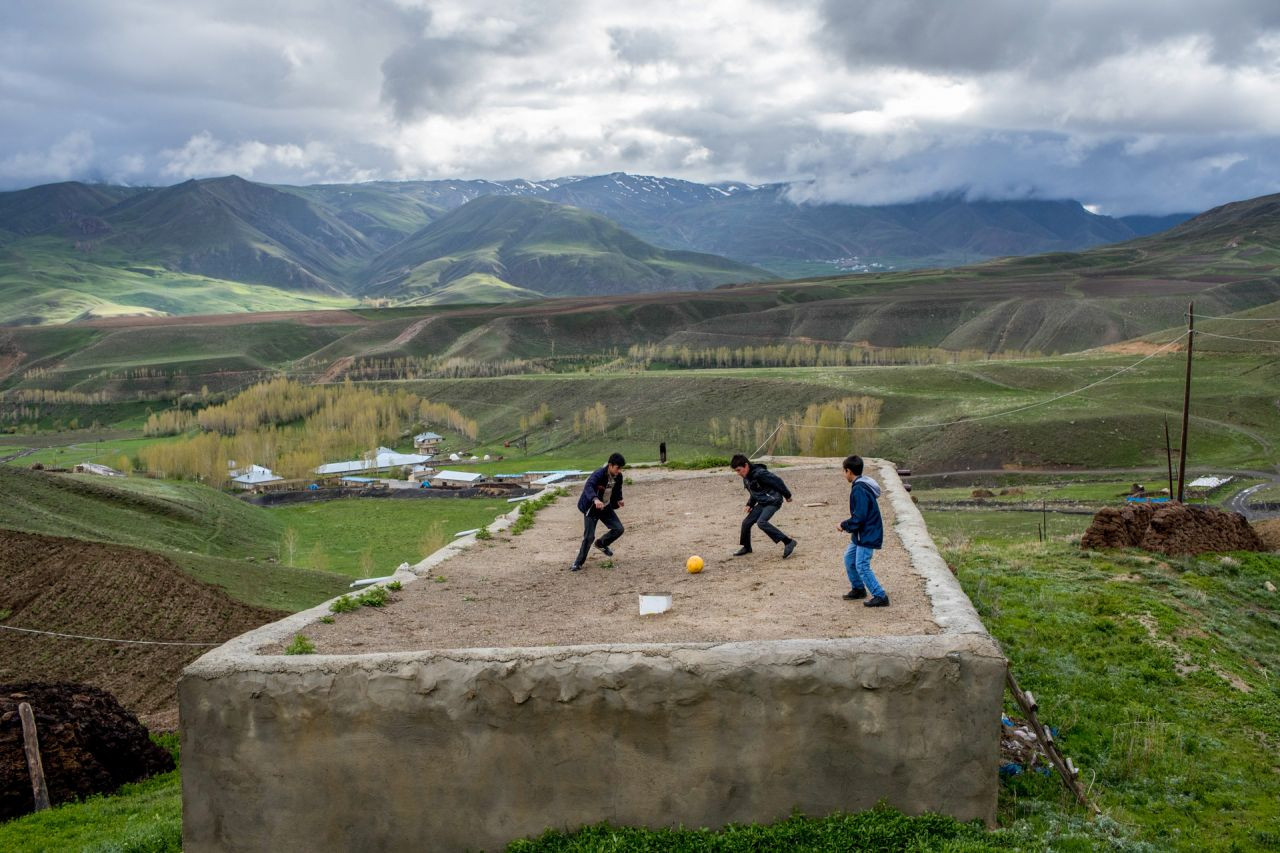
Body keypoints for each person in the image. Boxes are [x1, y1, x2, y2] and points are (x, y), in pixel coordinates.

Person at [838, 454, 888, 607]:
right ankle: (859, 588)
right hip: (861, 533)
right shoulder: (861, 485)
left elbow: (860, 516)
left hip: (867, 533)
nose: (843, 474)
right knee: (849, 558)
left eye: (844, 471)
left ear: (849, 471)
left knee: (861, 565)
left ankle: (880, 595)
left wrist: (844, 525)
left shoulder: (859, 489)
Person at [729, 453, 796, 559]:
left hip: (773, 501)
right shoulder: (746, 477)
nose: (738, 473)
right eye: (736, 471)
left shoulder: (760, 473)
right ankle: (746, 547)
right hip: (762, 502)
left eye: (738, 470)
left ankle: (788, 542)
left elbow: (778, 481)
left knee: (761, 522)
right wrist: (749, 504)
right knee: (746, 523)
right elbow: (754, 493)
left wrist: (787, 495)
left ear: (746, 466)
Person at [570, 452, 626, 571]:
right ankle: (578, 563)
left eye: (621, 468)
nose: (619, 471)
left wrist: (619, 500)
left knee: (619, 529)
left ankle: (601, 543)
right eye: (617, 468)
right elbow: (588, 487)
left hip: (605, 506)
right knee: (589, 537)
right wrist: (595, 499)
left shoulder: (619, 476)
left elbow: (617, 490)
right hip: (592, 507)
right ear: (610, 465)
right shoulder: (599, 474)